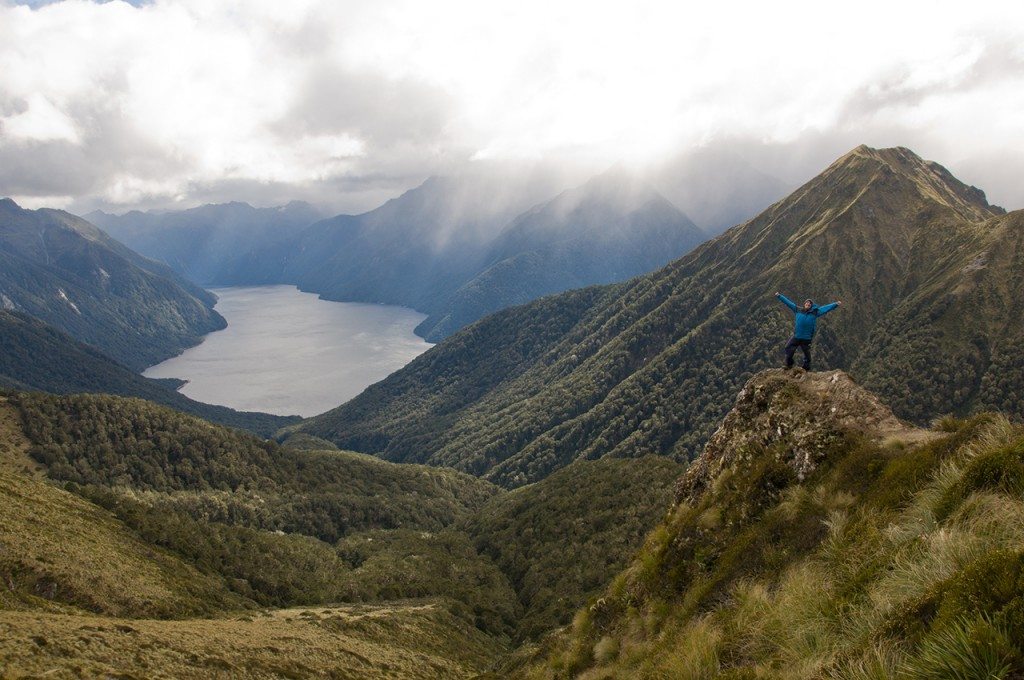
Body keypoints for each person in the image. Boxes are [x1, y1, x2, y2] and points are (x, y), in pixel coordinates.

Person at [774, 292, 842, 370]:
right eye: (807, 302)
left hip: (806, 339)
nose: (808, 303)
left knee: (807, 355)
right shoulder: (797, 310)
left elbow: (825, 308)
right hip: (797, 336)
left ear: (811, 306)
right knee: (788, 348)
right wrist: (779, 296)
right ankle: (789, 364)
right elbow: (788, 303)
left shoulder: (815, 312)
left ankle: (805, 369)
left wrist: (835, 304)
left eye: (809, 303)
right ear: (804, 304)